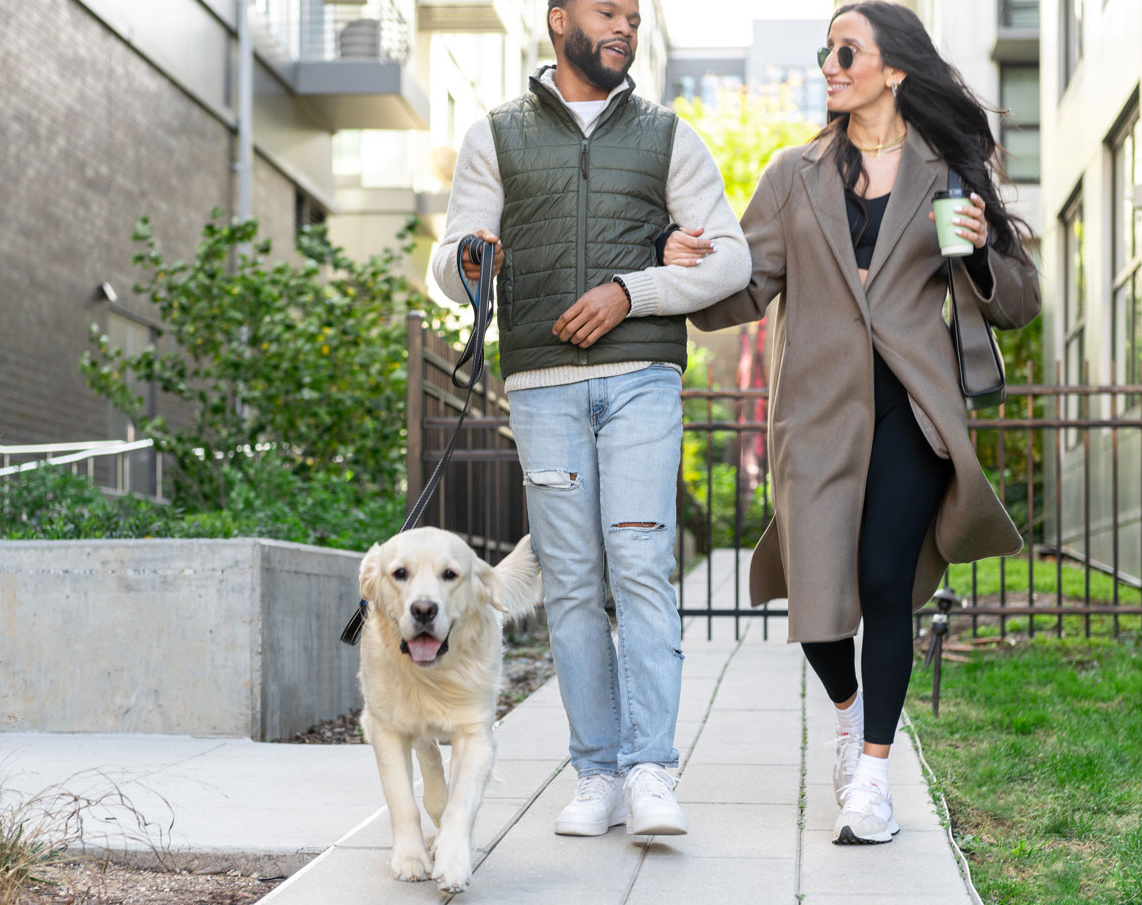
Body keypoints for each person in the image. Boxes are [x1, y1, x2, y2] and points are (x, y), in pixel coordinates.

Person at [677, 1, 1040, 844]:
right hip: (815, 412)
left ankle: (873, 776)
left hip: (911, 408)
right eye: (827, 50)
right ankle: (848, 715)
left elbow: (1020, 302)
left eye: (848, 50)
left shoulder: (948, 173)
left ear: (895, 69)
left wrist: (981, 250)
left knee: (885, 582)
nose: (831, 64)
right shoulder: (792, 174)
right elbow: (750, 285)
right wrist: (692, 265)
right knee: (816, 597)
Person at [430, 0, 750, 838]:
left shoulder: (667, 136)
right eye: (608, 12)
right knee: (572, 583)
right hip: (540, 386)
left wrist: (631, 291)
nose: (625, 28)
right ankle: (596, 774)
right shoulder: (494, 137)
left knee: (640, 563)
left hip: (642, 377)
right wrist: (467, 261)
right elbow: (449, 259)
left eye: (635, 18)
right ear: (559, 18)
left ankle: (651, 772)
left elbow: (732, 257)